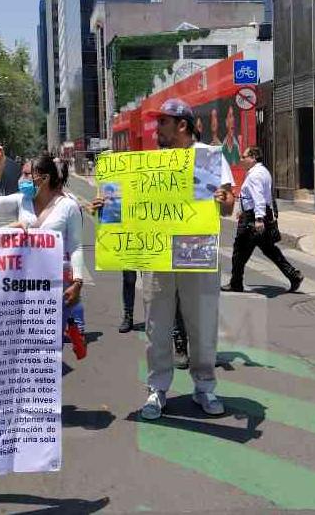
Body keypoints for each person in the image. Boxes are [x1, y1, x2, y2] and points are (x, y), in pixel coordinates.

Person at [92, 98, 235, 420]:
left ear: (182, 125)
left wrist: (223, 199)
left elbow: (227, 207)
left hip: (195, 248)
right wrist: (105, 206)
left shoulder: (207, 157)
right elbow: (124, 205)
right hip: (157, 252)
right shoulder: (151, 163)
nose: (156, 128)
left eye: (163, 122)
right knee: (157, 326)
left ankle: (204, 387)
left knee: (202, 324)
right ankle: (157, 388)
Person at [0, 151, 87, 337]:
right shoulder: (23, 201)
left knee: (51, 337)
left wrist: (77, 282)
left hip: (56, 282)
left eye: (27, 175)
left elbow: (76, 246)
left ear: (46, 178)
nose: (22, 179)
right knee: (26, 336)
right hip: (25, 282)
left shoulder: (69, 206)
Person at [222, 146, 303, 293]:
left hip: (252, 218)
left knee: (239, 250)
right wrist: (243, 210)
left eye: (244, 157)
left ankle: (236, 283)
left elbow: (258, 198)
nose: (241, 159)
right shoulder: (262, 171)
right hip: (255, 214)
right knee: (269, 249)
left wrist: (258, 219)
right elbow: (257, 197)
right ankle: (293, 275)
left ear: (253, 158)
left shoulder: (255, 175)